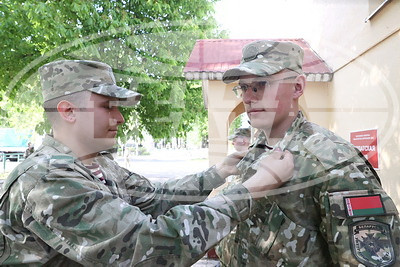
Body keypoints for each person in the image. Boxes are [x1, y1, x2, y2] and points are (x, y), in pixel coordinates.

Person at [0, 60, 294, 266]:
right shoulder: (49, 179)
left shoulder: (96, 164)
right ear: (68, 111)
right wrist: (255, 188)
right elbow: (150, 247)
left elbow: (154, 199)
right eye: (108, 106)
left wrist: (218, 173)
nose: (120, 118)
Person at [216, 40, 400, 266]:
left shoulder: (334, 163)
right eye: (244, 87)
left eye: (261, 84)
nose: (248, 97)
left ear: (297, 87)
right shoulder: (254, 153)